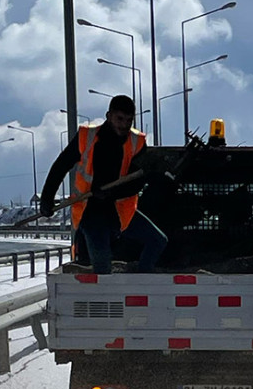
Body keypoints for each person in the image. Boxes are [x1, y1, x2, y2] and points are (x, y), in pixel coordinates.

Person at [39, 95, 168, 274]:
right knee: (102, 266)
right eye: (120, 119)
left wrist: (111, 193)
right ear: (109, 116)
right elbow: (61, 166)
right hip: (90, 211)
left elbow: (137, 182)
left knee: (158, 240)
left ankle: (140, 277)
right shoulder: (87, 137)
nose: (124, 125)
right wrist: (46, 198)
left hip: (120, 210)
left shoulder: (137, 142)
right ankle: (103, 283)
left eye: (129, 120)